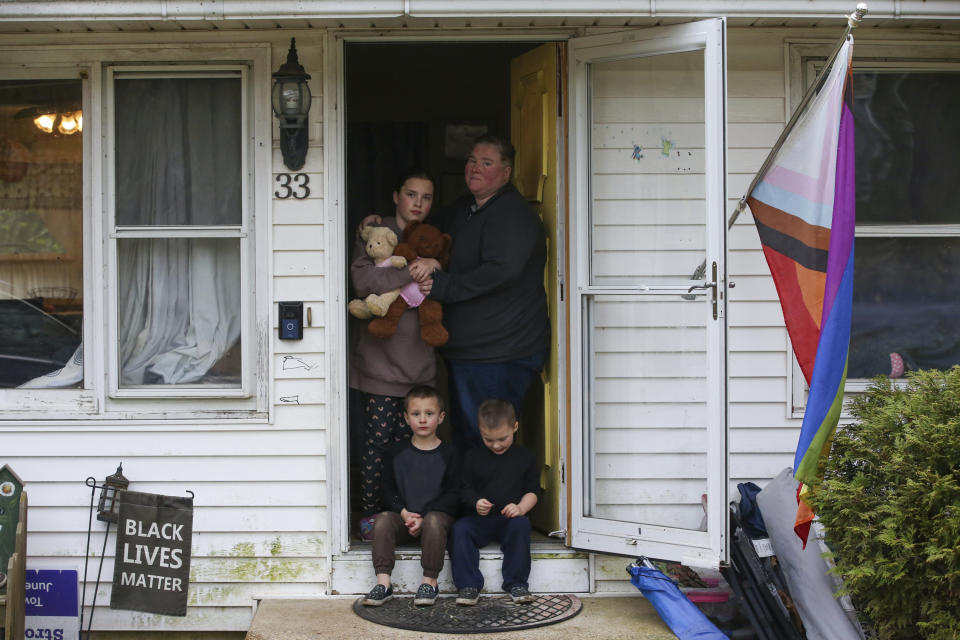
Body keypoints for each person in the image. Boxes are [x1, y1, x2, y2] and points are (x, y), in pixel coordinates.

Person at [411, 135, 549, 450]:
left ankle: (496, 500)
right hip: (473, 352)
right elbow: (429, 234)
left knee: (489, 438)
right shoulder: (466, 209)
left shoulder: (513, 215)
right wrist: (387, 224)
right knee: (468, 436)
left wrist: (443, 283)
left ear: (506, 173)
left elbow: (500, 272)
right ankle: (474, 500)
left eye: (486, 163)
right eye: (472, 160)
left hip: (501, 353)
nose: (475, 168)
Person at [349, 169, 438, 541]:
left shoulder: (433, 242)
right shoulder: (375, 233)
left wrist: (434, 267)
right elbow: (364, 282)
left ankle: (412, 516)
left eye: (426, 197)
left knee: (414, 449)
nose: (418, 202)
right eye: (411, 194)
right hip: (380, 366)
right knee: (376, 447)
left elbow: (445, 285)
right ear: (396, 196)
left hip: (420, 366)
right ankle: (372, 514)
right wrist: (409, 275)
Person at [361, 385, 461, 607]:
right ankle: (384, 583)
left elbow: (453, 494)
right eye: (416, 414)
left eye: (429, 413)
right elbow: (386, 490)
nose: (423, 419)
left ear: (441, 417)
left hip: (435, 523)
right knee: (384, 519)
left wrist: (424, 517)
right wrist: (404, 513)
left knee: (435, 519)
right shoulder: (396, 453)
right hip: (405, 521)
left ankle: (429, 582)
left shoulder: (450, 454)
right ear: (406, 418)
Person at [450, 398, 541, 606]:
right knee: (460, 529)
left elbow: (533, 491)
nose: (496, 445)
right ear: (480, 430)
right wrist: (475, 502)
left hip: (509, 520)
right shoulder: (472, 456)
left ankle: (516, 583)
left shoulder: (525, 457)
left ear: (515, 427)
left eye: (502, 438)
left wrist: (520, 508)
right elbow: (463, 488)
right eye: (488, 439)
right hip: (479, 520)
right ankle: (468, 585)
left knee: (522, 525)